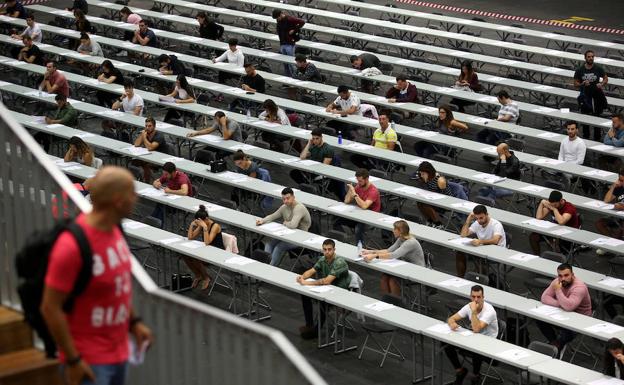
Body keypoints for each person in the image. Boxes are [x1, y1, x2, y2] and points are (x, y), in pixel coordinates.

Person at [41, 166, 153, 385]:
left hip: (118, 350)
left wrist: (134, 322)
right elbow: (50, 307)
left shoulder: (115, 231)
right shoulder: (72, 246)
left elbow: (116, 284)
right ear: (118, 201)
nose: (136, 198)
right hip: (89, 359)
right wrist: (73, 360)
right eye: (132, 192)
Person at [296, 238, 349, 339]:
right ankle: (309, 325)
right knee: (305, 295)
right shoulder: (322, 259)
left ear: (334, 250)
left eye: (329, 249)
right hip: (327, 289)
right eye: (325, 249)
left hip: (340, 292)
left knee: (322, 302)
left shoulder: (339, 262)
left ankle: (316, 330)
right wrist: (302, 277)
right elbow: (311, 271)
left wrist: (306, 282)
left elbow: (326, 281)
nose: (327, 252)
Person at [446, 285, 498, 385]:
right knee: (446, 343)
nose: (476, 300)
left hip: (488, 343)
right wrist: (452, 323)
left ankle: (476, 376)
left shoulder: (489, 311)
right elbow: (451, 318)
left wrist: (474, 311)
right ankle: (459, 371)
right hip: (473, 339)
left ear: (483, 297)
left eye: (478, 297)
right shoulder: (468, 306)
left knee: (476, 349)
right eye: (473, 297)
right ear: (470, 296)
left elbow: (476, 328)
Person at [537, 263, 592, 351]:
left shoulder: (579, 287)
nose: (563, 279)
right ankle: (554, 342)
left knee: (567, 331)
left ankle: (557, 347)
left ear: (572, 275)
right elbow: (544, 298)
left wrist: (558, 291)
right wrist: (561, 304)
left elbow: (569, 307)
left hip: (579, 320)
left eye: (566, 275)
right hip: (563, 314)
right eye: (560, 276)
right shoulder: (557, 281)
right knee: (539, 319)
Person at [361, 220, 425, 296]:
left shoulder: (410, 243)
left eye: (395, 229)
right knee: (384, 278)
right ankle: (387, 301)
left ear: (400, 231)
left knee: (393, 280)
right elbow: (388, 250)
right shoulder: (401, 239)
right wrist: (370, 252)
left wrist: (375, 256)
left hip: (417, 271)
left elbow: (394, 255)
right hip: (405, 266)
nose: (393, 230)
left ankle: (396, 303)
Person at [256, 187, 312, 266]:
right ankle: (265, 265)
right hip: (287, 235)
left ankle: (270, 267)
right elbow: (273, 216)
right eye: (283, 199)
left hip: (300, 238)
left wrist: (285, 223)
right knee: (269, 244)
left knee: (279, 247)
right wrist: (262, 220)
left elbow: (293, 225)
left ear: (293, 197)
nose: (285, 201)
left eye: (288, 198)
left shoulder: (299, 208)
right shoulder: (284, 207)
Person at [289, 128, 345, 200]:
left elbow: (324, 167)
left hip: (320, 173)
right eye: (313, 139)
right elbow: (302, 156)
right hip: (311, 169)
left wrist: (312, 166)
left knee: (298, 174)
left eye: (317, 138)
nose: (315, 141)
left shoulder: (328, 149)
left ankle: (310, 188)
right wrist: (309, 144)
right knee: (294, 173)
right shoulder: (314, 147)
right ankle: (309, 187)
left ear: (321, 137)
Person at [457, 205, 506, 277]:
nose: (479, 221)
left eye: (481, 218)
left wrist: (480, 241)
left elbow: (496, 241)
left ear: (487, 214)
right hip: (482, 248)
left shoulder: (496, 224)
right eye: (477, 218)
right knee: (460, 252)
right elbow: (463, 235)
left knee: (480, 258)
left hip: (497, 251)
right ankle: (460, 278)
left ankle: (484, 281)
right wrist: (468, 220)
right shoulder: (477, 223)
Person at [185, 205, 224, 290]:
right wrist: (192, 225)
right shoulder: (202, 224)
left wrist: (205, 227)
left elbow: (207, 242)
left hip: (217, 252)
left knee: (195, 258)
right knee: (185, 255)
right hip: (207, 250)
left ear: (206, 219)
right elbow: (190, 237)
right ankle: (198, 275)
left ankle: (206, 278)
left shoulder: (215, 226)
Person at [529, 190, 580, 255]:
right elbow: (539, 217)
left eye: (555, 205)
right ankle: (537, 257)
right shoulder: (553, 204)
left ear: (561, 201)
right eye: (552, 205)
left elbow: (561, 222)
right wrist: (541, 203)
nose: (553, 206)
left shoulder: (569, 208)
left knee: (560, 245)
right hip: (555, 230)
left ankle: (562, 260)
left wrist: (554, 209)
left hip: (569, 232)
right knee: (533, 237)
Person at [574, 50, 608, 141]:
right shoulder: (580, 70)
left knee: (597, 116)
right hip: (585, 96)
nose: (591, 58)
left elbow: (605, 78)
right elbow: (575, 83)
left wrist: (602, 84)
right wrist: (582, 84)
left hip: (596, 96)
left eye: (592, 56)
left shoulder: (598, 68)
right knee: (585, 118)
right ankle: (586, 138)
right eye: (589, 57)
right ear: (585, 58)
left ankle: (597, 138)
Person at [343, 168, 381, 245]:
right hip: (359, 215)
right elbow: (346, 201)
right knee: (337, 220)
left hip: (371, 218)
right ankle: (343, 241)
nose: (358, 183)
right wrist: (351, 190)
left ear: (367, 179)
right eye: (357, 180)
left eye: (360, 181)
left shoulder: (373, 191)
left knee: (358, 229)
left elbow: (364, 206)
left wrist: (354, 193)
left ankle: (359, 248)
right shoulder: (359, 186)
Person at [414, 161, 456, 227]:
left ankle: (438, 224)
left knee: (425, 204)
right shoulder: (424, 178)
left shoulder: (440, 180)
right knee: (419, 202)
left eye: (423, 174)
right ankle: (430, 221)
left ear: (429, 172)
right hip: (432, 199)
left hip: (445, 202)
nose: (421, 175)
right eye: (421, 173)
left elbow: (444, 196)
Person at [133, 117, 169, 181]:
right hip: (150, 156)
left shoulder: (159, 136)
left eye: (150, 126)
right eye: (146, 126)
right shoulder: (146, 133)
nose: (147, 128)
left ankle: (146, 181)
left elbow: (150, 148)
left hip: (160, 158)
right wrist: (142, 135)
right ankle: (141, 179)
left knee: (145, 163)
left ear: (154, 126)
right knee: (134, 161)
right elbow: (136, 144)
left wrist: (144, 137)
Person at [272, 9, 305, 76]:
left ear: (280, 15)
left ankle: (295, 76)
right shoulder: (279, 20)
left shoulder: (290, 19)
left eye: (277, 17)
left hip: (290, 43)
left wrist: (294, 30)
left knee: (291, 63)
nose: (277, 19)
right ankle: (288, 77)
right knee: (285, 63)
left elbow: (302, 22)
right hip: (282, 43)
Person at [595, 168, 624, 242]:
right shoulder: (619, 187)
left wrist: (621, 206)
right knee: (599, 223)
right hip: (618, 217)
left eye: (622, 180)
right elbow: (606, 200)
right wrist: (614, 186)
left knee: (620, 231)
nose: (620, 182)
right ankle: (610, 242)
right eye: (619, 180)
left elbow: (620, 206)